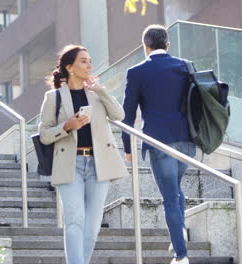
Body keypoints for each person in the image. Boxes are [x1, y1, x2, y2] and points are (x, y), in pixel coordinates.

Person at [39, 44, 127, 264]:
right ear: (70, 67)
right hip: (70, 163)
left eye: (89, 60)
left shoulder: (96, 94)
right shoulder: (54, 97)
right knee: (74, 218)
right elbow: (43, 135)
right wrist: (67, 126)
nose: (89, 65)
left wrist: (102, 90)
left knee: (92, 227)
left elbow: (119, 115)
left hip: (99, 165)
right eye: (83, 61)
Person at [122, 25, 196, 264]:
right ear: (168, 44)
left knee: (170, 197)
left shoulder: (137, 72)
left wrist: (127, 146)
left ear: (145, 46)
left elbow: (128, 114)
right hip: (187, 141)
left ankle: (181, 255)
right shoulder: (185, 66)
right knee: (174, 188)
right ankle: (180, 230)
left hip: (159, 141)